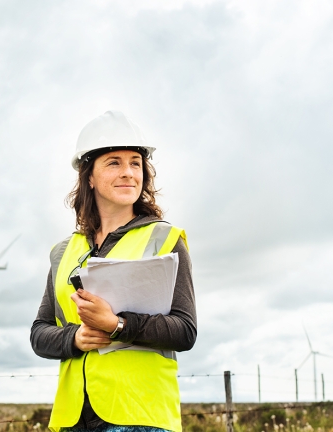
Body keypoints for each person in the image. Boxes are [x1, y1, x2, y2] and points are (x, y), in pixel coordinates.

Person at [30, 111, 197, 432]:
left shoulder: (165, 239)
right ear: (88, 176)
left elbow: (184, 330)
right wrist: (75, 338)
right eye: (114, 163)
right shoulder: (63, 252)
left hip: (140, 417)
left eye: (136, 163)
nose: (128, 173)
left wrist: (117, 325)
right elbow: (39, 333)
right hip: (72, 417)